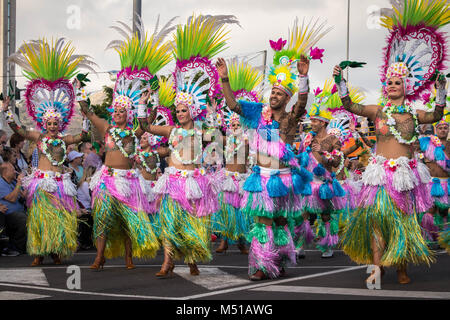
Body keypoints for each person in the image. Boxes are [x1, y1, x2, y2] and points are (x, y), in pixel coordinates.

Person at [336, 0, 448, 287]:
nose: (392, 85)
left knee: (401, 224)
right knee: (376, 223)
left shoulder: (414, 112)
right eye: (388, 82)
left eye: (397, 82)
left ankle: (399, 266)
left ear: (406, 86)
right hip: (379, 175)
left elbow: (436, 114)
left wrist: (441, 90)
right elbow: (349, 105)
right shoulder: (377, 109)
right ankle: (375, 269)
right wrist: (340, 81)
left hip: (404, 176)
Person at [216, 17, 329, 280]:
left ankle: (277, 260)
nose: (274, 95)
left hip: (285, 181)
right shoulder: (258, 114)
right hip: (262, 179)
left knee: (280, 223)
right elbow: (233, 104)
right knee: (262, 223)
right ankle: (260, 265)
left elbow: (302, 104)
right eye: (273, 92)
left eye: (280, 94)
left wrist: (303, 78)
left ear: (286, 99)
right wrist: (224, 80)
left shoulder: (290, 119)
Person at [80, 15, 176, 270]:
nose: (119, 113)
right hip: (107, 178)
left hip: (129, 180)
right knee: (101, 218)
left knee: (128, 221)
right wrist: (80, 91)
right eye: (117, 110)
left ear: (129, 114)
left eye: (123, 111)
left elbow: (149, 122)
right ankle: (99, 257)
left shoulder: (135, 131)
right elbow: (88, 112)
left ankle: (129, 256)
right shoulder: (107, 127)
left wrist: (147, 99)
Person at [144, 15, 237, 277]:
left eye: (184, 109)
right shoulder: (171, 129)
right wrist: (146, 102)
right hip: (173, 179)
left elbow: (219, 140)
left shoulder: (201, 130)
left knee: (192, 224)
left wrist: (213, 113)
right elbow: (145, 127)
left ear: (191, 110)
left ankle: (192, 260)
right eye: (177, 109)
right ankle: (167, 262)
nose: (180, 112)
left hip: (194, 182)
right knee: (169, 222)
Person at [5, 37, 95, 266]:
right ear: (45, 123)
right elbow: (18, 129)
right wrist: (5, 112)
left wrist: (85, 118)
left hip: (60, 182)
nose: (53, 126)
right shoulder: (38, 136)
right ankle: (39, 252)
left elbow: (82, 137)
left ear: (60, 123)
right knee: (40, 218)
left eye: (56, 123)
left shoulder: (65, 139)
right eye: (50, 123)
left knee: (59, 217)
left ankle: (56, 249)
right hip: (42, 182)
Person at [211, 61, 263, 255]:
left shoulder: (249, 137)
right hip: (228, 178)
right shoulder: (227, 139)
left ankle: (241, 241)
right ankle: (224, 241)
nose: (234, 126)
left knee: (241, 212)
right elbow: (213, 135)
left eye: (236, 123)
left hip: (243, 179)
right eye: (231, 123)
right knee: (226, 210)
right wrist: (213, 115)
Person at [417, 120, 449, 246]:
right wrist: (419, 132)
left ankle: (444, 238)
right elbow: (415, 146)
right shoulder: (428, 144)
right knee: (429, 211)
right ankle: (428, 237)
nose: (443, 130)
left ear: (448, 130)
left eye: (445, 128)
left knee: (444, 212)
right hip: (431, 183)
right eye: (440, 128)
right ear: (436, 130)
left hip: (446, 184)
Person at [0, 162, 27, 256]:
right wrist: (19, 183)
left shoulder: (13, 181)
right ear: (5, 172)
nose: (15, 172)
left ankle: (26, 246)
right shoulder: (1, 183)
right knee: (23, 219)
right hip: (7, 215)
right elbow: (12, 198)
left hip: (20, 211)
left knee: (31, 216)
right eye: (12, 170)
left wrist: (25, 184)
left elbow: (24, 196)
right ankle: (17, 247)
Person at [76, 165, 97, 250]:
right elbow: (90, 199)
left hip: (88, 208)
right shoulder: (85, 184)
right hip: (84, 208)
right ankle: (86, 241)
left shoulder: (87, 184)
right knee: (89, 218)